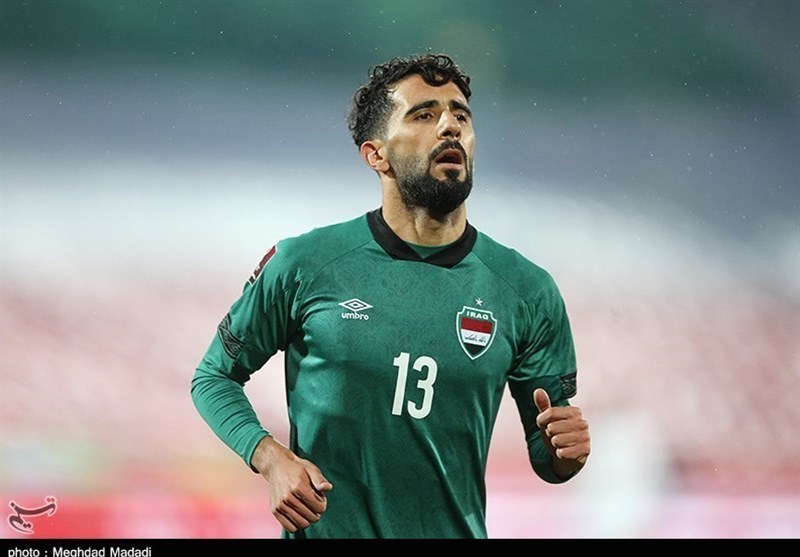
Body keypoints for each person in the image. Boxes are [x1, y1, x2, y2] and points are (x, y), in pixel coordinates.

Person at [191, 53, 591, 539]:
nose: (450, 127)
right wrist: (270, 458)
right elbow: (214, 376)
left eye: (461, 116)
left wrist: (565, 453)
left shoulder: (527, 290)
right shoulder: (305, 264)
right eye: (424, 114)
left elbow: (549, 456)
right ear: (375, 154)